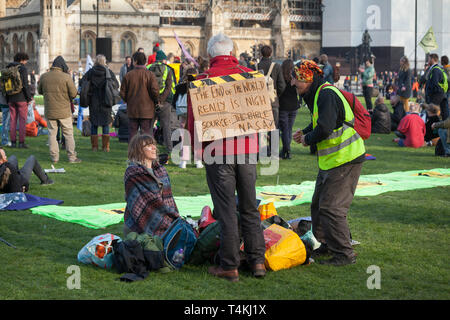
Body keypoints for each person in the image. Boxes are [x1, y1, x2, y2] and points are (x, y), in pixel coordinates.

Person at [187, 33, 266, 281]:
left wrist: (194, 150)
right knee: (250, 207)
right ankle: (257, 262)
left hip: (217, 153)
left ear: (211, 54)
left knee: (226, 211)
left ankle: (229, 264)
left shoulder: (203, 80)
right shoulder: (250, 76)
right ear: (231, 52)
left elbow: (193, 124)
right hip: (247, 150)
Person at [292, 59, 365, 266]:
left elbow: (324, 128)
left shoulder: (325, 94)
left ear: (307, 79)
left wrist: (307, 139)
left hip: (345, 159)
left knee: (332, 208)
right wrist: (306, 131)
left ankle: (344, 254)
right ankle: (325, 244)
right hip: (333, 160)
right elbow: (321, 121)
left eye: (295, 79)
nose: (292, 83)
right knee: (318, 205)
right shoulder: (318, 94)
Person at [123, 134, 179, 237]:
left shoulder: (161, 170)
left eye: (154, 144)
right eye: (149, 145)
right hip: (138, 225)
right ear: (138, 150)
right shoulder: (133, 173)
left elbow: (169, 198)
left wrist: (174, 218)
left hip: (165, 217)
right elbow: (148, 202)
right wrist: (169, 221)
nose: (154, 148)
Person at [38, 55, 81, 164]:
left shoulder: (44, 76)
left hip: (50, 110)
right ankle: (72, 157)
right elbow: (74, 94)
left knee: (52, 134)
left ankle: (54, 158)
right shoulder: (66, 77)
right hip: (64, 111)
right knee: (68, 134)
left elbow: (40, 91)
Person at [81, 54, 119, 152]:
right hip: (106, 101)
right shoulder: (108, 72)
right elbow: (116, 85)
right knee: (105, 124)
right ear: (104, 61)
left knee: (94, 124)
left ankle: (94, 147)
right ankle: (105, 147)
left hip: (93, 101)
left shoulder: (90, 72)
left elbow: (82, 83)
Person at [120, 51, 159, 141]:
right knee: (146, 134)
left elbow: (122, 93)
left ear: (135, 61)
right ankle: (145, 153)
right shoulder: (150, 75)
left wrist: (128, 100)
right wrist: (154, 101)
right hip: (147, 109)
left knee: (133, 133)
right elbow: (155, 92)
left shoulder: (128, 75)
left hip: (133, 109)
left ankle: (133, 153)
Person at [257, 45, 286, 156]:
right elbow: (282, 85)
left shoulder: (256, 66)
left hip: (258, 102)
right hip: (273, 102)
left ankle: (263, 151)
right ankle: (273, 152)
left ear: (261, 53)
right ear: (271, 53)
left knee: (261, 127)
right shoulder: (277, 66)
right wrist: (276, 95)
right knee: (274, 127)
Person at [172, 67, 203, 169]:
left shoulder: (180, 86)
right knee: (197, 137)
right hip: (196, 114)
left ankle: (183, 161)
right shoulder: (199, 86)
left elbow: (174, 101)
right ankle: (198, 161)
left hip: (183, 114)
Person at [147, 50, 176, 153]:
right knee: (166, 127)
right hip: (165, 103)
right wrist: (161, 100)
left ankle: (148, 149)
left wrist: (154, 100)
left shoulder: (148, 68)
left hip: (150, 102)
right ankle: (169, 149)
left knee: (149, 127)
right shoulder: (168, 69)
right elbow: (169, 87)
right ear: (164, 59)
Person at [5, 52, 32, 148]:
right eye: (25, 60)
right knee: (22, 121)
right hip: (21, 98)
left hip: (11, 97)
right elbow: (25, 85)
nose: (26, 62)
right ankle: (21, 143)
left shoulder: (8, 68)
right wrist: (29, 98)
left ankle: (12, 142)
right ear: (22, 60)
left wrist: (7, 97)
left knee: (12, 121)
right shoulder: (22, 68)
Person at [279, 59, 301, 159]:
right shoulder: (295, 77)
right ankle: (286, 150)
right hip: (293, 105)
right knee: (289, 129)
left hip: (283, 105)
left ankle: (286, 150)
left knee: (285, 130)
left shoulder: (281, 76)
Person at [425, 53, 448, 120]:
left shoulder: (435, 70)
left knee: (431, 112)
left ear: (432, 59)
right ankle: (443, 127)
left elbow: (435, 83)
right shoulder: (437, 69)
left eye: (429, 59)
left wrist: (430, 93)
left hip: (437, 94)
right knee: (444, 113)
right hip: (441, 93)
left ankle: (432, 127)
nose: (428, 60)